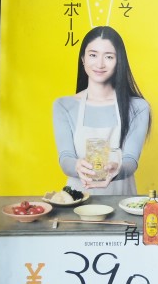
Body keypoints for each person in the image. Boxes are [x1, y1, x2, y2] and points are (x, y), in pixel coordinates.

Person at [52, 26, 151, 195]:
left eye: (109, 57)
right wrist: (76, 166)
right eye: (93, 55)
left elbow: (131, 160)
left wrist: (117, 170)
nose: (99, 64)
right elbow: (65, 157)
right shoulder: (63, 105)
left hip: (122, 203)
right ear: (83, 59)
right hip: (77, 202)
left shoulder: (138, 107)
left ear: (119, 61)